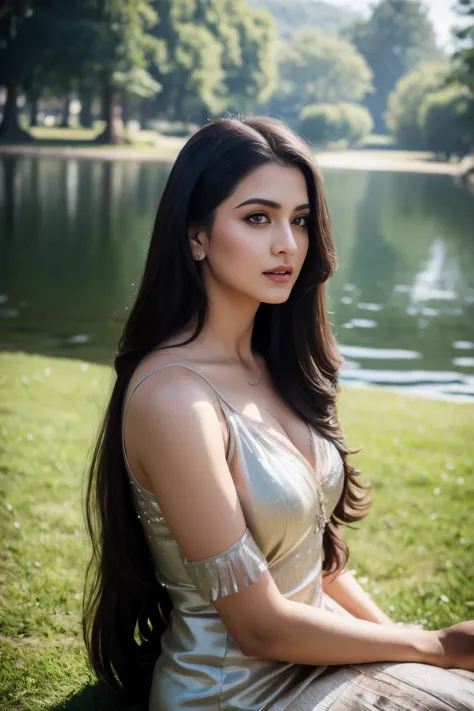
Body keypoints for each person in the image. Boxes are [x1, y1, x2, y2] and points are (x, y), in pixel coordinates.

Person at [83, 116, 474, 710]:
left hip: (322, 663)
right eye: (257, 218)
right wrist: (437, 644)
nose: (287, 244)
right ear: (196, 235)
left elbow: (321, 568)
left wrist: (416, 655)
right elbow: (258, 626)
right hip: (236, 694)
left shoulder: (279, 368)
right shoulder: (173, 399)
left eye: (299, 221)